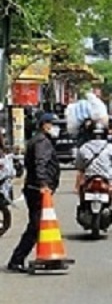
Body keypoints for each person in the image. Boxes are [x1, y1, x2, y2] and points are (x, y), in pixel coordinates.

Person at [7, 113, 60, 272]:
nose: (55, 128)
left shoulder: (40, 140)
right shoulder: (42, 142)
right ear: (45, 125)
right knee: (36, 226)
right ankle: (17, 260)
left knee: (38, 225)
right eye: (52, 124)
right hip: (37, 190)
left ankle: (44, 255)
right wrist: (43, 184)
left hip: (36, 188)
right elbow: (40, 164)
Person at [74, 121, 112, 195]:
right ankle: (110, 204)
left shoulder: (84, 147)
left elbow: (79, 166)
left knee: (81, 188)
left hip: (89, 177)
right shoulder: (110, 147)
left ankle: (82, 204)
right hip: (107, 177)